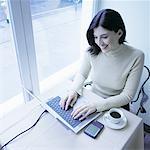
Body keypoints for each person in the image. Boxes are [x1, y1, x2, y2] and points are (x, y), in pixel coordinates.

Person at [59, 9, 144, 121]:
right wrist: (73, 90)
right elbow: (82, 74)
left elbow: (127, 96)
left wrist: (97, 106)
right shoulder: (92, 51)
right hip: (92, 100)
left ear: (119, 33)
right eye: (95, 37)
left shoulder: (136, 56)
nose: (99, 43)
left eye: (104, 37)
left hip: (116, 106)